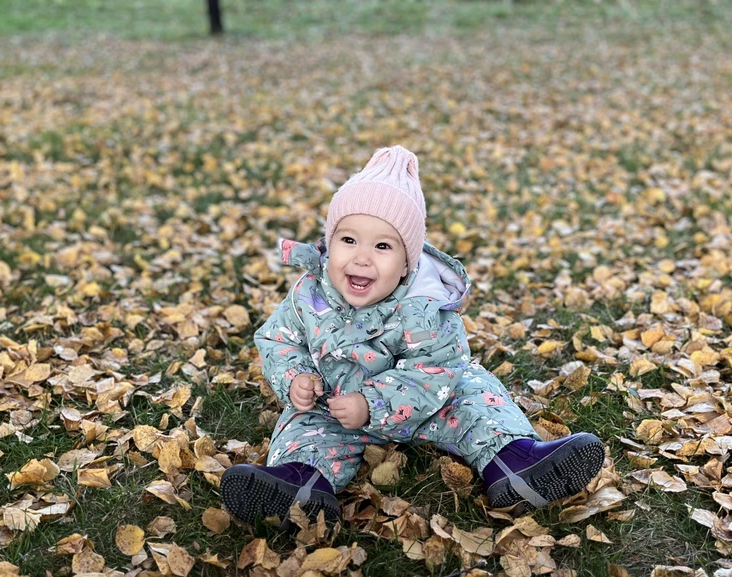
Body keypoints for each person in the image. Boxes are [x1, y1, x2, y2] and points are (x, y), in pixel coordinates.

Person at [220, 145, 604, 526]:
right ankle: (301, 483)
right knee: (301, 426)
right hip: (333, 408)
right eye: (348, 240)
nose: (361, 257)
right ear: (329, 242)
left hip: (427, 406)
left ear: (407, 263)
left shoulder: (423, 305)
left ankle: (514, 460)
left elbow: (433, 368)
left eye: (383, 246)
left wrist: (372, 403)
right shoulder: (309, 294)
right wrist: (295, 379)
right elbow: (278, 339)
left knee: (473, 394)